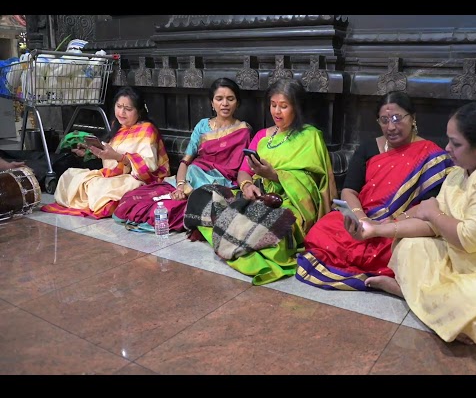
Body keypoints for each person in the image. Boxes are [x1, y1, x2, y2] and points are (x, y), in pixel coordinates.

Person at [345, 102, 476, 349]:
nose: (447, 148)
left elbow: (469, 237)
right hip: (463, 268)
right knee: (409, 247)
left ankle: (414, 294)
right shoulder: (458, 173)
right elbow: (429, 224)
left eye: (455, 144)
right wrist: (374, 229)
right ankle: (427, 300)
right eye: (448, 141)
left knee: (465, 301)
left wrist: (433, 213)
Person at [296, 90, 454, 290]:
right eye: (384, 120)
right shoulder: (368, 147)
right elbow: (349, 191)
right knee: (323, 227)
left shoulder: (432, 156)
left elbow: (428, 205)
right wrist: (361, 218)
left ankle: (384, 278)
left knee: (405, 248)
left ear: (413, 118)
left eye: (397, 118)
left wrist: (392, 223)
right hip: (364, 219)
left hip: (398, 225)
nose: (391, 127)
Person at [189, 78, 337, 285]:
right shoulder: (261, 136)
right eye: (273, 105)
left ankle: (234, 233)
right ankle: (237, 232)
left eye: (284, 106)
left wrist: (275, 176)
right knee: (204, 196)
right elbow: (243, 171)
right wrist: (247, 185)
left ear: (297, 107)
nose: (277, 111)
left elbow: (314, 185)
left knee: (272, 225)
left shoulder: (310, 136)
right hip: (256, 196)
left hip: (290, 202)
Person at [111, 78, 251, 232]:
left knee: (168, 210)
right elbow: (185, 161)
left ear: (237, 103)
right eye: (219, 99)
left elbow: (243, 168)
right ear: (212, 103)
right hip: (191, 177)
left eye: (230, 99)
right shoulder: (203, 126)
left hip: (217, 185)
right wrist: (180, 187)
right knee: (134, 198)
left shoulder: (243, 130)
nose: (224, 103)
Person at [41, 86, 170, 218]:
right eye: (119, 106)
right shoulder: (118, 127)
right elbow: (109, 158)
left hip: (136, 179)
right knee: (69, 176)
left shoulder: (147, 129)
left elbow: (149, 167)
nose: (122, 112)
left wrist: (119, 157)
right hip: (111, 175)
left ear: (140, 111)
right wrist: (91, 152)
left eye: (128, 109)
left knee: (106, 188)